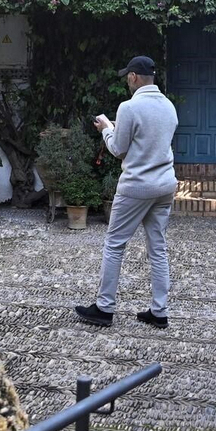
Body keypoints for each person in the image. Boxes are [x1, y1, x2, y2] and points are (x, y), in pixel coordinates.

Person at [74, 55, 179, 328]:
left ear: (133, 77)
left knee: (114, 245)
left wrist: (107, 129)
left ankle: (104, 307)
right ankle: (159, 311)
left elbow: (118, 149)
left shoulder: (129, 107)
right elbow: (151, 142)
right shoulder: (169, 107)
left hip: (137, 186)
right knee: (158, 248)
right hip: (165, 184)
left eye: (127, 77)